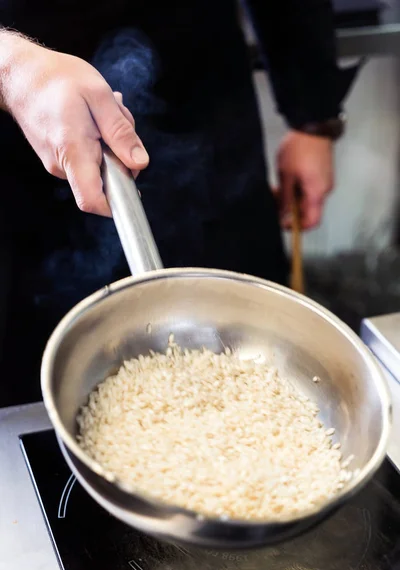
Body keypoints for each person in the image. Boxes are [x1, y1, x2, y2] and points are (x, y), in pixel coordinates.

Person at [0, 0, 353, 405]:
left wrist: (313, 118)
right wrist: (10, 67)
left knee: (245, 326)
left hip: (205, 100)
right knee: (37, 380)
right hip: (23, 133)